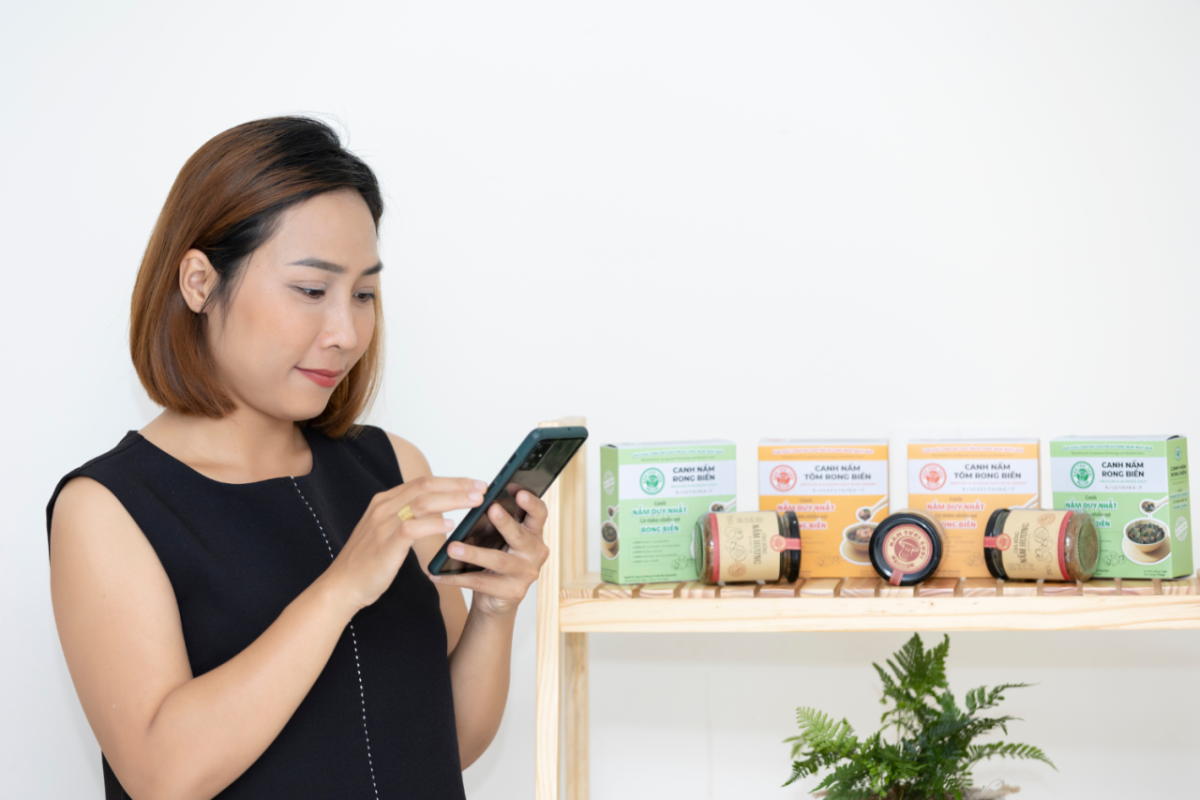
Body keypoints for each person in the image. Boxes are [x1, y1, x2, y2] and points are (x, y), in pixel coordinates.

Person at [46, 117, 549, 800]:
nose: (346, 333)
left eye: (364, 294)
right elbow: (162, 774)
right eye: (312, 291)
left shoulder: (393, 468)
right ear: (199, 282)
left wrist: (494, 610)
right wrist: (341, 588)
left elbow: (448, 739)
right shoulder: (107, 508)